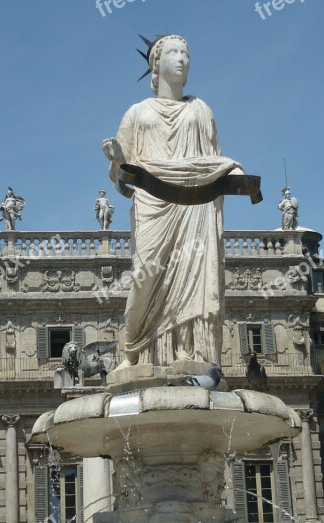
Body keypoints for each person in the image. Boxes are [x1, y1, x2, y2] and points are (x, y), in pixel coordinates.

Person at [102, 35, 246, 368]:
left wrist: (230, 167)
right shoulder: (138, 113)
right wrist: (116, 156)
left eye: (186, 53)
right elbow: (122, 173)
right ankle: (131, 352)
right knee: (145, 278)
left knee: (191, 275)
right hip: (153, 202)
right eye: (174, 53)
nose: (183, 59)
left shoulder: (201, 110)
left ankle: (187, 353)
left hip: (195, 201)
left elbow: (211, 158)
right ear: (156, 63)